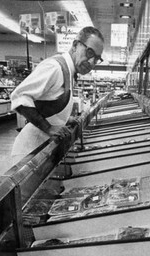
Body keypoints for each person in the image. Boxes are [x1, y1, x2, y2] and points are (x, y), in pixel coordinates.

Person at [10, 26, 104, 164]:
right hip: (29, 153)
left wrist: (64, 120)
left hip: (42, 151)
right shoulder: (55, 67)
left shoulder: (69, 71)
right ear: (75, 45)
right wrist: (49, 128)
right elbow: (20, 97)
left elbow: (49, 101)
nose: (91, 62)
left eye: (96, 59)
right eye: (89, 52)